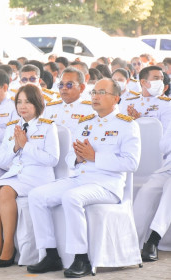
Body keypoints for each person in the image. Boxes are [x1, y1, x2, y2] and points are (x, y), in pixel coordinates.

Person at [27, 78, 141, 277]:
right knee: (36, 195)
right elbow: (70, 157)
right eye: (94, 92)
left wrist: (95, 157)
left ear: (116, 98)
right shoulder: (85, 123)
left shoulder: (127, 125)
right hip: (80, 179)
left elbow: (131, 163)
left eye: (101, 93)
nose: (95, 96)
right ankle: (51, 254)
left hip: (107, 184)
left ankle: (81, 258)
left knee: (72, 197)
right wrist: (78, 158)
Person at [0, 84, 59, 268]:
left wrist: (26, 146)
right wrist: (16, 147)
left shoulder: (48, 127)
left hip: (37, 177)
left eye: (27, 102)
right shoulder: (12, 127)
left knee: (6, 191)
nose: (22, 106)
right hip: (16, 174)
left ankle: (9, 246)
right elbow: (1, 160)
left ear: (38, 103)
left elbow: (53, 159)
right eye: (19, 102)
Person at [134, 120, 171, 262]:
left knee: (170, 188)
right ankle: (131, 242)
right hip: (168, 168)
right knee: (147, 190)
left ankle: (154, 239)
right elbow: (164, 145)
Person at [44, 67, 95, 136]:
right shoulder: (49, 108)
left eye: (69, 85)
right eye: (61, 85)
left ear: (82, 88)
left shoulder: (91, 110)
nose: (64, 88)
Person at [119, 66, 171, 133]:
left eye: (161, 79)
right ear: (143, 82)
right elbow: (122, 129)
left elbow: (166, 133)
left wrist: (139, 120)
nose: (160, 82)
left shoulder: (167, 104)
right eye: (156, 78)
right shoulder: (128, 102)